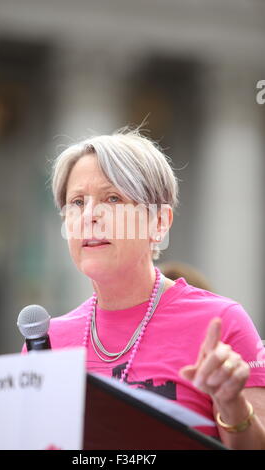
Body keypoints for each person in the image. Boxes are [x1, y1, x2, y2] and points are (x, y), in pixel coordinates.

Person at [22, 127, 265, 449]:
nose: (90, 215)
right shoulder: (45, 342)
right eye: (77, 202)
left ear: (159, 222)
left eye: (113, 198)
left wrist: (231, 405)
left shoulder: (221, 322)